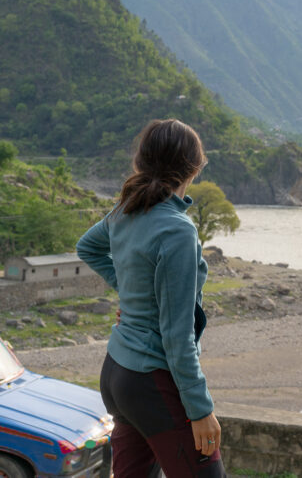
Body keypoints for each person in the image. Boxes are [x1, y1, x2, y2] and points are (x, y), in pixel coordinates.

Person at [77, 119, 225, 477]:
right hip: (150, 377)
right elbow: (176, 337)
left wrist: (131, 293)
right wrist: (200, 410)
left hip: (117, 372)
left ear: (141, 162)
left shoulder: (128, 209)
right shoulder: (176, 230)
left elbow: (88, 247)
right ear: (194, 167)